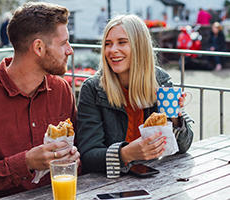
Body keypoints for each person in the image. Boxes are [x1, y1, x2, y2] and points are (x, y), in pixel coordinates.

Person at [0, 2, 79, 199]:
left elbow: (77, 151)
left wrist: (74, 158)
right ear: (38, 47)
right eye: (63, 43)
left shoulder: (61, 90)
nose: (70, 50)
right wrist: (25, 162)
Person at [76, 15, 194, 178]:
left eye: (122, 42)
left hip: (152, 177)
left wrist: (174, 116)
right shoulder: (93, 88)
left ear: (140, 46)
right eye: (108, 44)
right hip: (107, 183)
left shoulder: (160, 81)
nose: (112, 50)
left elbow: (184, 146)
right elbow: (88, 156)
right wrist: (125, 154)